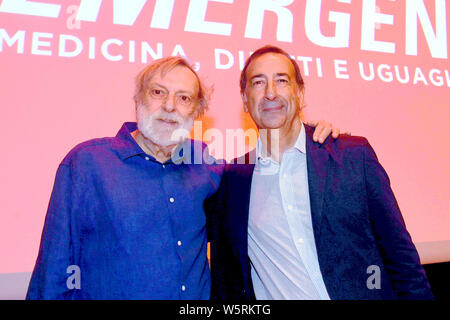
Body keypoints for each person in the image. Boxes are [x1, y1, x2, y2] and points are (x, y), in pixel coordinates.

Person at [26, 56, 337, 299]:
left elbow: (261, 196)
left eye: (184, 98)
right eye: (158, 92)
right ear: (138, 100)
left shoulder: (211, 169)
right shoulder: (88, 163)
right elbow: (52, 272)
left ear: (197, 112)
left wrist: (309, 136)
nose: (170, 106)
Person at [209, 45, 433, 300]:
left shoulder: (352, 155)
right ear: (245, 101)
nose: (270, 93)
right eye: (258, 83)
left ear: (300, 94)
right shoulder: (233, 180)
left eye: (281, 80)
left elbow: (401, 259)